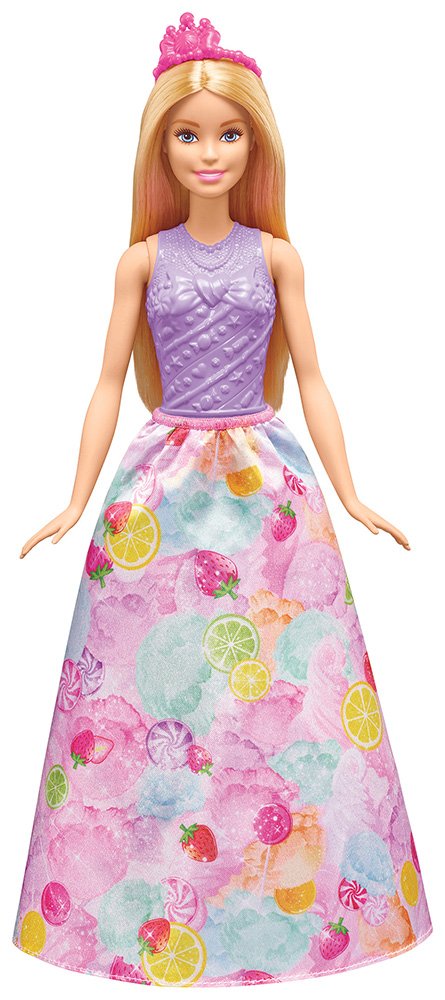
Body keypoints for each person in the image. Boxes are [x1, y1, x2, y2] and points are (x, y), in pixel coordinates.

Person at [12, 10, 433, 988]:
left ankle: (301, 905)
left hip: (267, 489)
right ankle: (139, 907)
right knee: (147, 700)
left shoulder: (277, 256)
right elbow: (107, 383)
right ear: (161, 147)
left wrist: (351, 493)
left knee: (288, 690)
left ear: (256, 145)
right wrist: (75, 500)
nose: (209, 153)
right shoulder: (141, 260)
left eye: (229, 133)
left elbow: (313, 377)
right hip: (159, 492)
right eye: (189, 135)